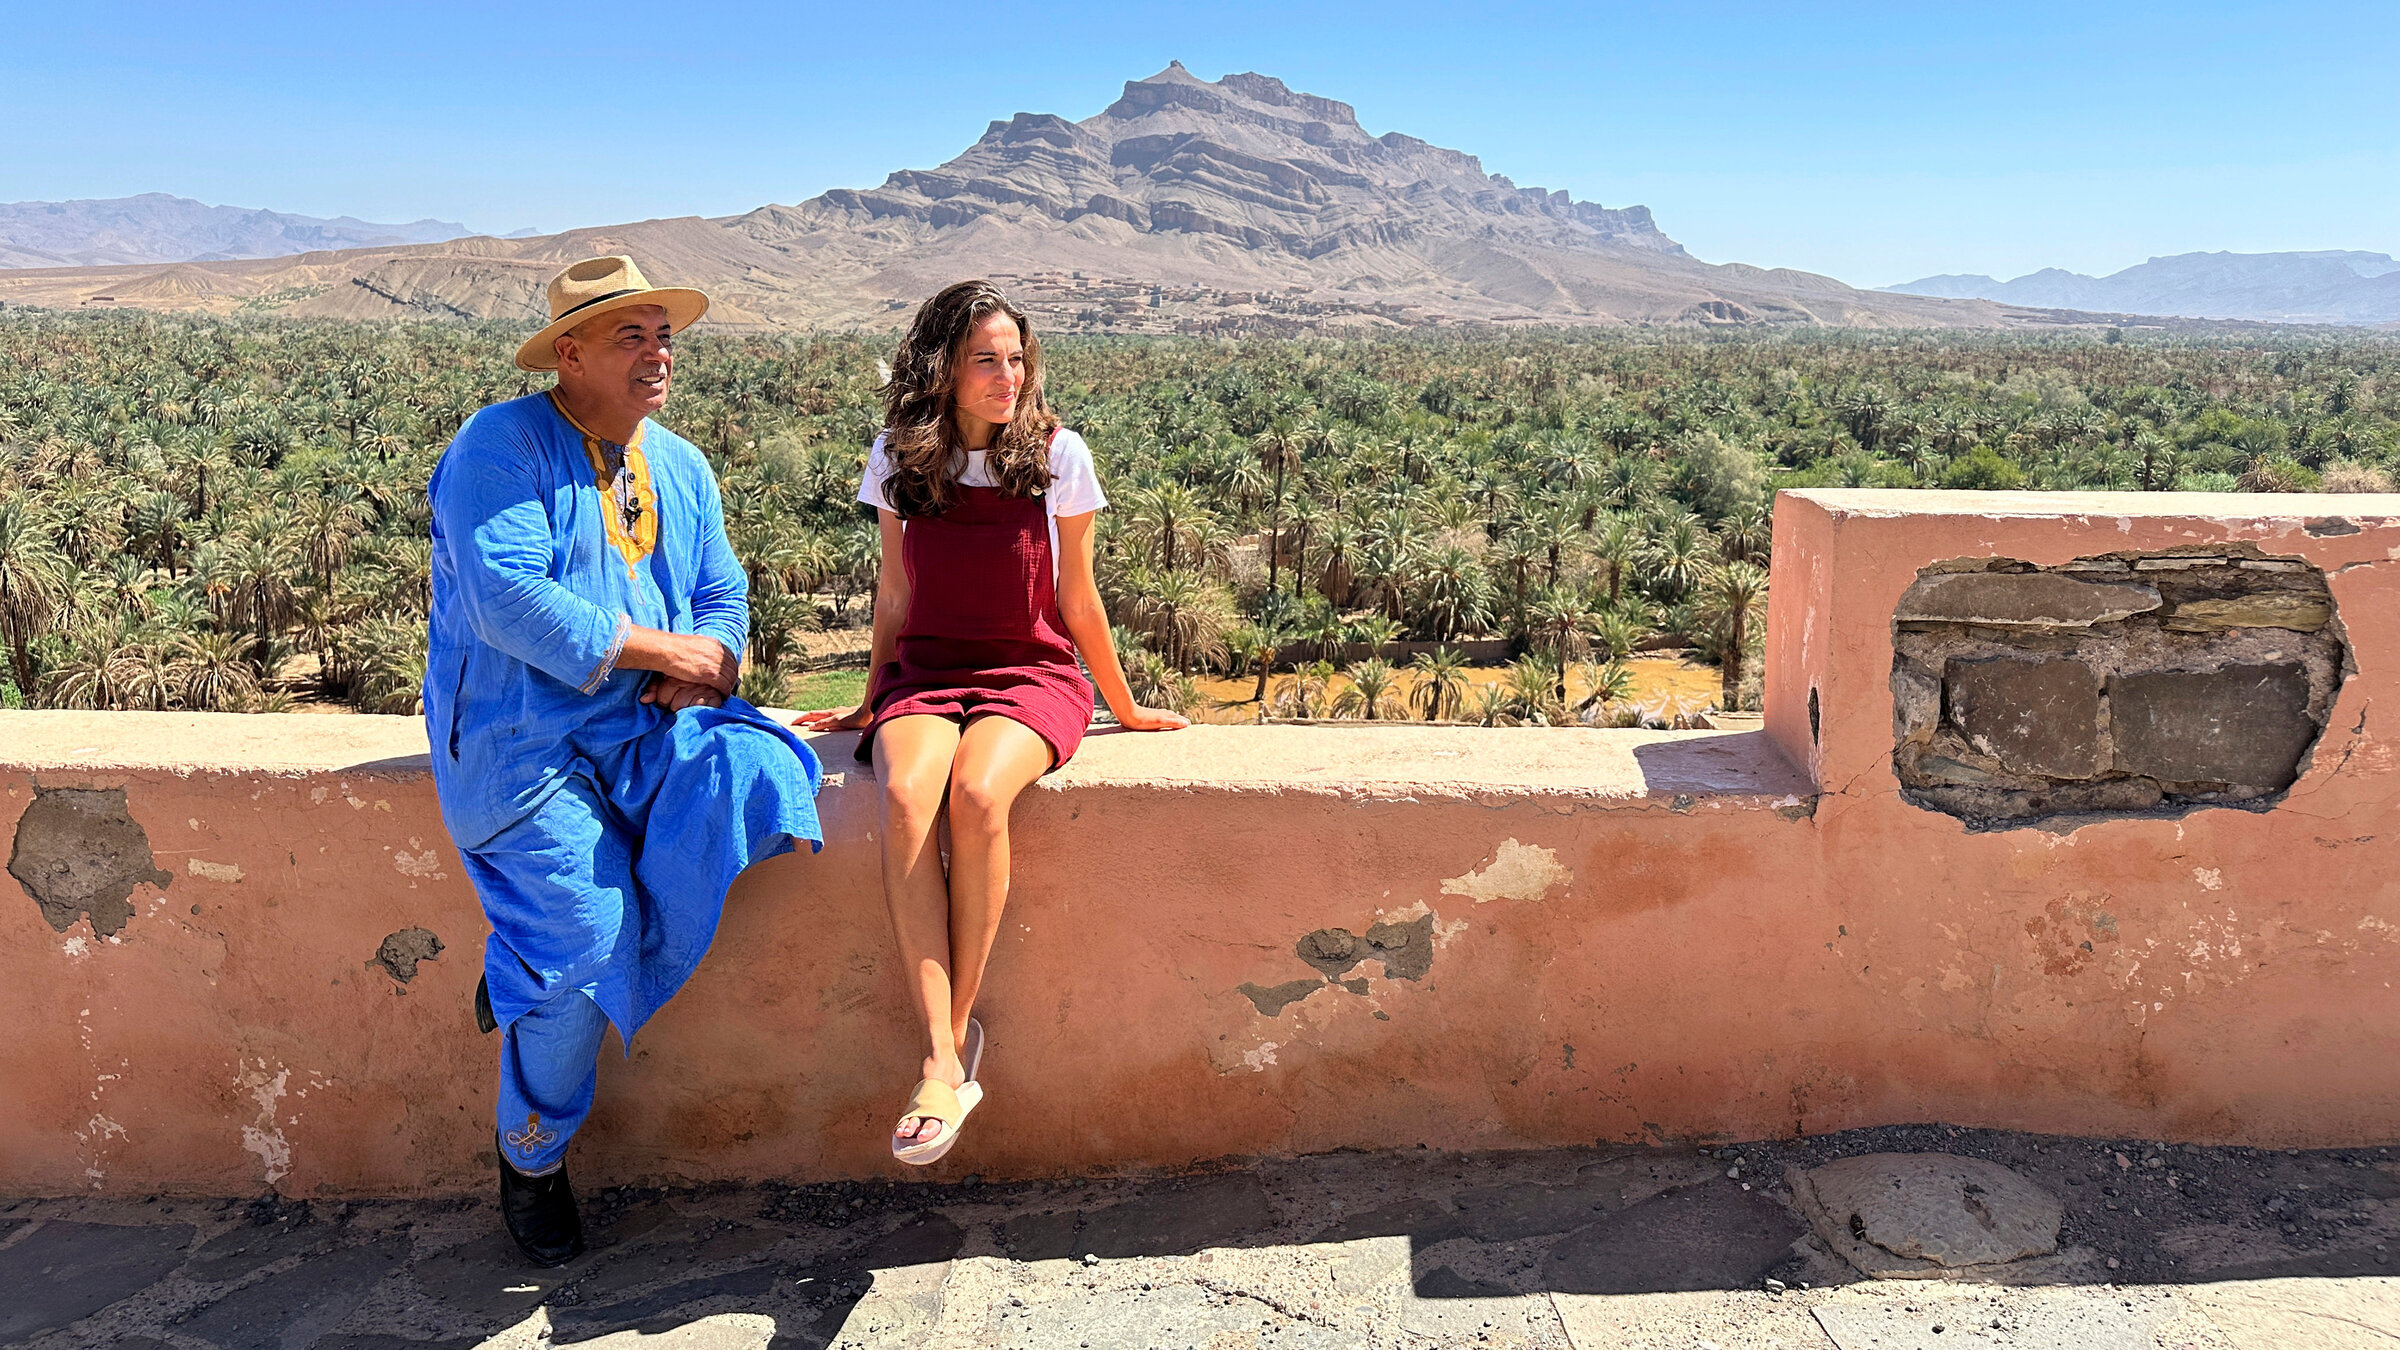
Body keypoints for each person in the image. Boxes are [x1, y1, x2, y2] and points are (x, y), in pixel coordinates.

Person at [423, 256, 823, 1265]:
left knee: (770, 777)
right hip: (522, 747)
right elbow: (506, 598)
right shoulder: (498, 447)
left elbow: (723, 589)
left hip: (645, 735)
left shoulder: (680, 465)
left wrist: (716, 660)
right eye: (630, 338)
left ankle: (528, 961)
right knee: (590, 939)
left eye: (663, 336)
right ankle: (533, 1152)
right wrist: (660, 649)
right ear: (570, 354)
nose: (658, 354)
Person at [796, 280, 1187, 1165]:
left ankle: (948, 1048)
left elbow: (1077, 601)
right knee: (903, 793)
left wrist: (1119, 706)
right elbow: (895, 592)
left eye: (1017, 358)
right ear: (943, 368)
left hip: (1031, 674)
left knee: (976, 793)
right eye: (986, 359)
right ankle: (944, 1051)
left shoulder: (1057, 455)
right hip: (927, 671)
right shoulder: (899, 456)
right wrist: (870, 698)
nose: (1008, 375)